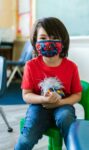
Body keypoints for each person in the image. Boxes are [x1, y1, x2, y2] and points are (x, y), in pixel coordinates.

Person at [15, 17, 82, 150]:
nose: (48, 42)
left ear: (63, 40)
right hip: (39, 106)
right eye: (43, 38)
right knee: (25, 141)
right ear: (35, 41)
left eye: (54, 37)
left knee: (66, 118)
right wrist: (44, 99)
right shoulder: (30, 66)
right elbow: (26, 95)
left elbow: (77, 95)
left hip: (63, 106)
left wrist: (59, 103)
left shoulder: (71, 67)